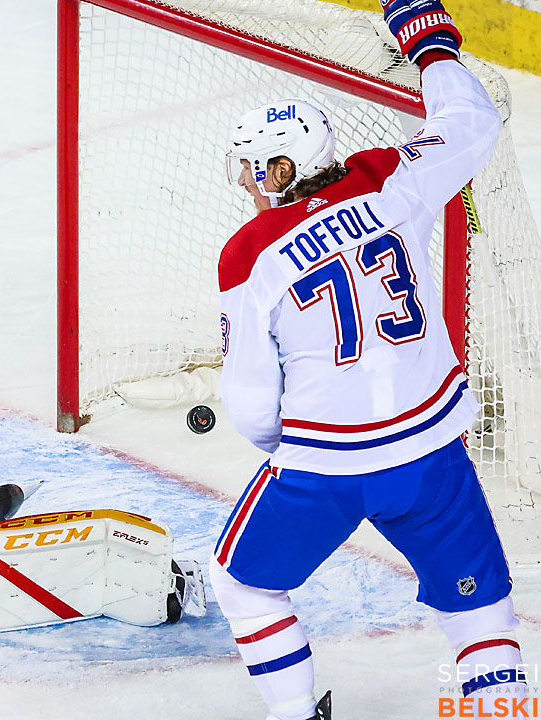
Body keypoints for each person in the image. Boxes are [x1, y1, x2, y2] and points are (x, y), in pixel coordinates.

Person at [209, 2, 528, 718]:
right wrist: (432, 45)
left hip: (326, 466)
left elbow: (253, 407)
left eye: (252, 167)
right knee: (482, 616)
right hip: (434, 452)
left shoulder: (250, 254)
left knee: (242, 584)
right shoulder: (389, 179)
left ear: (282, 166)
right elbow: (472, 124)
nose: (244, 182)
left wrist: (288, 454)